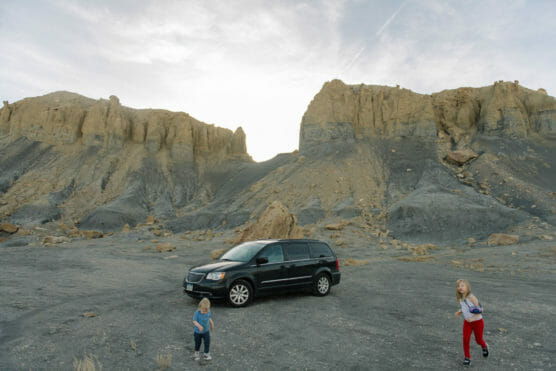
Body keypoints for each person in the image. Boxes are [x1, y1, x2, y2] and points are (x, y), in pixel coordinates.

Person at [454, 279, 488, 366]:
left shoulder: (471, 297)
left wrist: (473, 318)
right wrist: (460, 311)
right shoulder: (461, 297)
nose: (460, 288)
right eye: (458, 286)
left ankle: (484, 346)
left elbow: (481, 310)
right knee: (465, 339)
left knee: (478, 340)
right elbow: (466, 308)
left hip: (478, 322)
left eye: (462, 286)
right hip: (467, 322)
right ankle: (467, 357)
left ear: (467, 287)